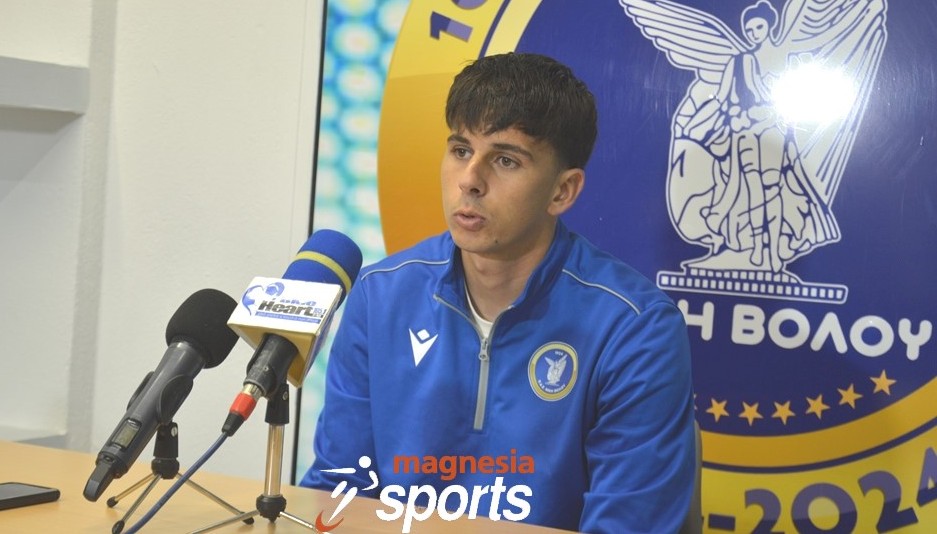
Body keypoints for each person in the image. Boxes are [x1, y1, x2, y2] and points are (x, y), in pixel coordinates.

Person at [300, 52, 697, 533]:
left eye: (505, 160)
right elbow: (339, 491)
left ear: (563, 191)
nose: (469, 180)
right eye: (460, 150)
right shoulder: (381, 295)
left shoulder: (635, 328)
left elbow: (627, 525)